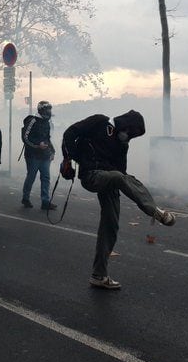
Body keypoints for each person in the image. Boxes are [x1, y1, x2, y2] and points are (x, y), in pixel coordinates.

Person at [61, 110, 176, 290]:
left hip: (111, 181)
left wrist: (129, 181)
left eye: (134, 135)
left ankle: (99, 275)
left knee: (111, 226)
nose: (130, 137)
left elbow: (122, 173)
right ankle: (154, 211)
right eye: (131, 132)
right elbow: (70, 133)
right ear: (125, 124)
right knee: (119, 177)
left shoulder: (122, 146)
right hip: (92, 175)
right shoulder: (99, 121)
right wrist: (70, 158)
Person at [21, 100, 55, 210]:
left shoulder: (48, 123)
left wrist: (52, 151)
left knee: (46, 178)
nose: (49, 111)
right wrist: (37, 145)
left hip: (45, 155)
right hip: (32, 156)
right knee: (31, 177)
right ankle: (25, 198)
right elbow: (25, 138)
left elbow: (47, 138)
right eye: (47, 109)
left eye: (50, 109)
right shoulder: (32, 121)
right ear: (41, 109)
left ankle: (45, 201)